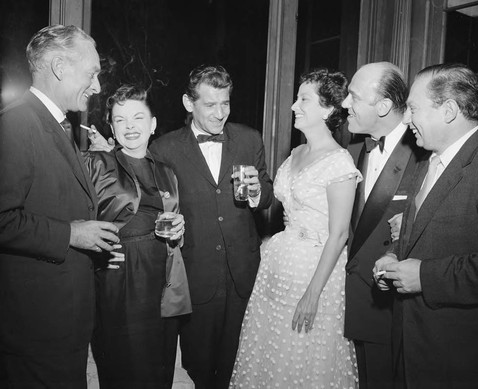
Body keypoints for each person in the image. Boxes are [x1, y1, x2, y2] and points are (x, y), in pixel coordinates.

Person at [0, 25, 120, 387]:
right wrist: (72, 233)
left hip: (59, 327)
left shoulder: (56, 124)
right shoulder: (18, 123)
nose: (98, 86)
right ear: (58, 67)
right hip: (35, 332)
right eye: (92, 73)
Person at [230, 68, 360, 388]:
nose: (293, 106)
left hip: (316, 272)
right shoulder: (297, 152)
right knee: (272, 351)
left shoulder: (340, 162)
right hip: (279, 264)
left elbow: (340, 233)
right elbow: (278, 199)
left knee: (305, 356)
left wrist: (312, 294)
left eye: (304, 99)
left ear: (328, 109)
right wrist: (253, 191)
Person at [147, 65, 274, 389]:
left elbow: (267, 192)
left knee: (238, 363)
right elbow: (156, 209)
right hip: (195, 274)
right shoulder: (163, 149)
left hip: (243, 274)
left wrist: (258, 193)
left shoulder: (249, 138)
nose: (220, 114)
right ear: (189, 104)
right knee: (198, 365)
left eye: (226, 104)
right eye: (210, 105)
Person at [374, 63, 478, 389]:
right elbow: (421, 231)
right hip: (409, 348)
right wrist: (394, 257)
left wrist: (425, 277)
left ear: (448, 110)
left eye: (413, 108)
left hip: (457, 359)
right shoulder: (425, 161)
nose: (405, 119)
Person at [86, 84, 191, 388]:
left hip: (162, 276)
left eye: (138, 118)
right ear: (112, 127)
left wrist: (178, 231)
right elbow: (76, 220)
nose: (130, 127)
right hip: (119, 277)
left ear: (153, 124)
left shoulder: (167, 171)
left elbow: (172, 222)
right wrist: (97, 251)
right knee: (123, 367)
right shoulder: (96, 164)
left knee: (159, 365)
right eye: (120, 120)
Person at [341, 62, 427, 389]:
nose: (345, 104)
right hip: (361, 303)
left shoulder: (423, 154)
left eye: (353, 96)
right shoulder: (352, 152)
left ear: (383, 106)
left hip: (396, 311)